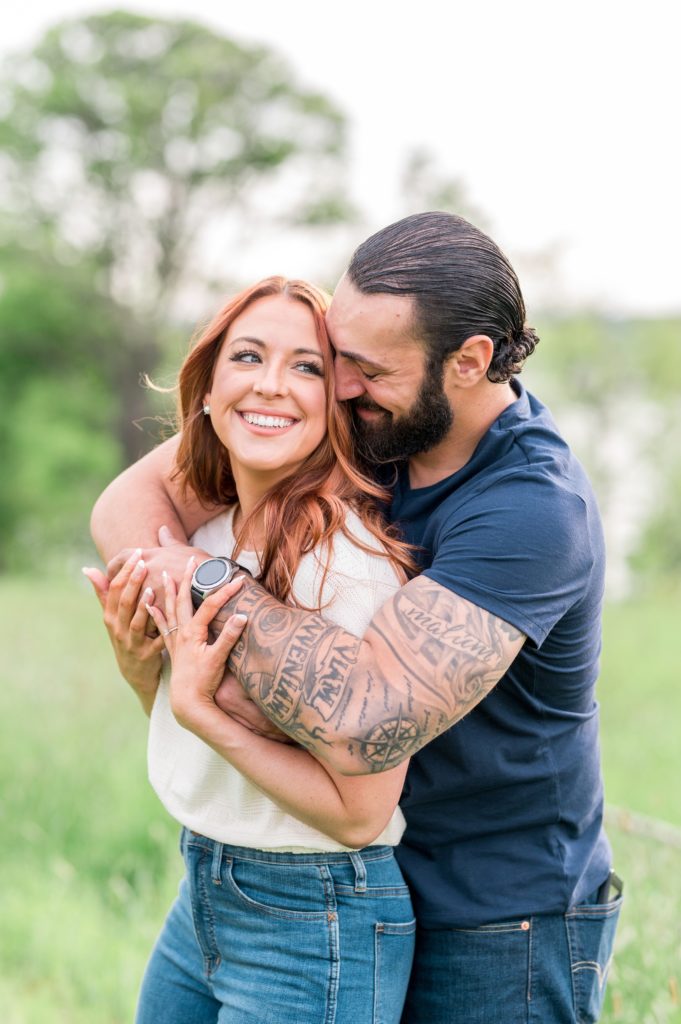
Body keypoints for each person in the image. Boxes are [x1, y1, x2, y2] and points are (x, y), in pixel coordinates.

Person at [91, 212, 622, 1024]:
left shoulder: (529, 512)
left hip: (498, 915)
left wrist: (194, 587)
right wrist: (161, 642)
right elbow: (135, 500)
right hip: (341, 878)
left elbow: (364, 719)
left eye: (366, 368)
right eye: (336, 357)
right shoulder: (366, 423)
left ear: (469, 362)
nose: (338, 385)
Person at [84, 276, 418, 1024]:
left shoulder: (344, 564)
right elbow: (176, 722)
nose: (272, 385)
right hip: (203, 884)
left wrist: (205, 713)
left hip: (316, 913)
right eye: (247, 356)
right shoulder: (200, 540)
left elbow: (360, 813)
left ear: (337, 402)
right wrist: (141, 668)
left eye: (306, 366)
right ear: (205, 389)